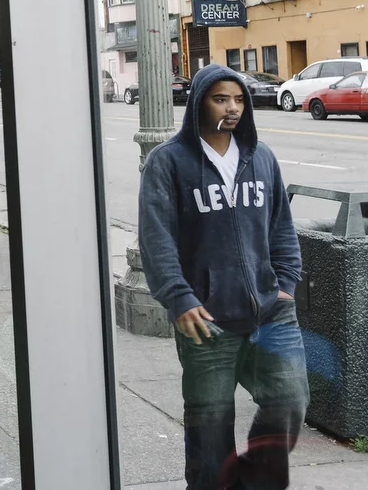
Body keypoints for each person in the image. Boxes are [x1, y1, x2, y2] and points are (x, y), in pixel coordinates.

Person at [138, 64, 309, 490]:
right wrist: (178, 297)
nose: (232, 108)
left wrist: (286, 283)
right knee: (210, 426)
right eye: (220, 99)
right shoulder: (168, 162)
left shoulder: (261, 157)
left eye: (238, 99)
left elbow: (281, 228)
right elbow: (157, 239)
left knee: (290, 400)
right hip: (206, 319)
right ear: (198, 102)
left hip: (271, 311)